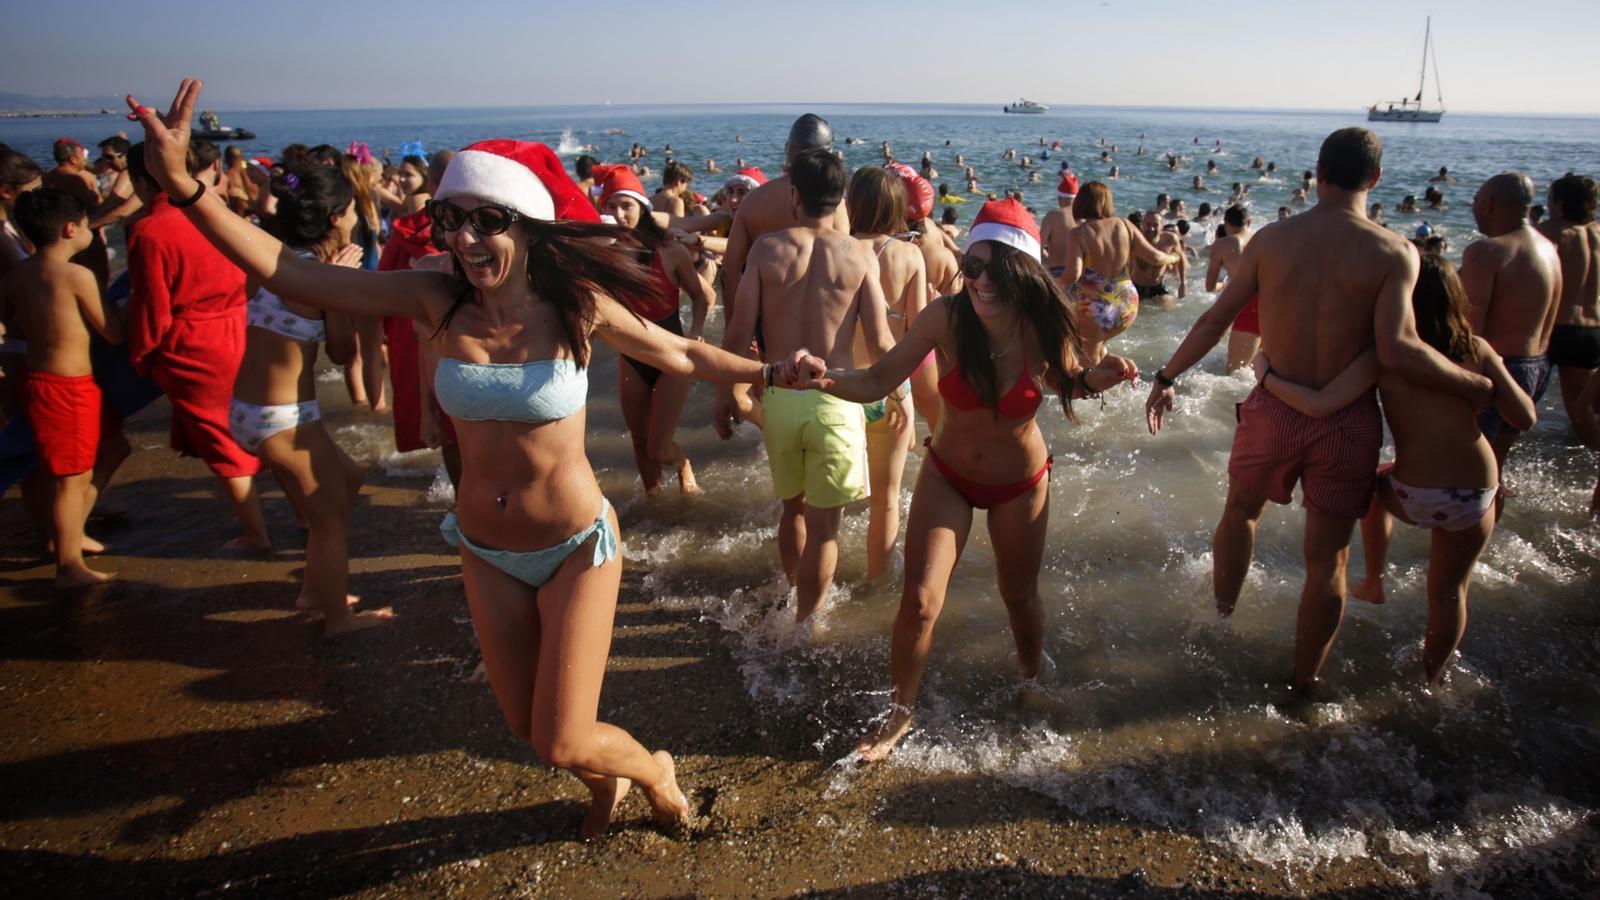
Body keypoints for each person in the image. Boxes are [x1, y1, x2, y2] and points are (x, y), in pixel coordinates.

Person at [128, 81, 828, 838]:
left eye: (486, 221)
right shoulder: (434, 299)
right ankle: (606, 784)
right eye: (450, 220)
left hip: (576, 547)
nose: (464, 239)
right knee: (530, 730)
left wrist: (768, 372)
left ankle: (654, 770)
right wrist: (187, 187)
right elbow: (289, 272)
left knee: (561, 736)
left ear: (525, 226)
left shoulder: (574, 307)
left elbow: (682, 352)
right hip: (485, 550)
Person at [1143, 127, 1493, 696]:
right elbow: (1398, 348)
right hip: (1346, 419)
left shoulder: (1272, 241)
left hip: (1274, 406)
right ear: (1375, 178)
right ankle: (1305, 681)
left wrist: (1166, 377)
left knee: (1240, 513)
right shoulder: (1394, 252)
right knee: (1328, 559)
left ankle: (1219, 623)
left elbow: (1215, 320)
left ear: (1319, 172)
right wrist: (1474, 382)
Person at [801, 199, 1137, 761]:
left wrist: (1094, 381)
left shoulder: (1043, 324)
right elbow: (878, 378)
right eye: (972, 267)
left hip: (1020, 484)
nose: (980, 281)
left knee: (1019, 597)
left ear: (1022, 273)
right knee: (920, 603)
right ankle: (899, 716)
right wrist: (820, 379)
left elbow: (1067, 382)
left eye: (995, 271)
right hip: (949, 475)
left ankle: (1031, 683)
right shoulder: (945, 316)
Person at [1256, 255, 1533, 687]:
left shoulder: (1384, 357)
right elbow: (1525, 417)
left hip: (1411, 492)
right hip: (1477, 491)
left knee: (1368, 486)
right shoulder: (1477, 350)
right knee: (1449, 592)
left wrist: (1267, 377)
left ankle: (1373, 579)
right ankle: (1432, 680)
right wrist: (1485, 385)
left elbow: (1320, 404)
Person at [713, 149, 894, 622]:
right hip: (834, 398)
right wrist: (901, 392)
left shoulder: (765, 249)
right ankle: (806, 627)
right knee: (825, 530)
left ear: (794, 195)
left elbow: (738, 332)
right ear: (841, 200)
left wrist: (725, 393)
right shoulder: (859, 255)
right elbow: (880, 340)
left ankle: (792, 597)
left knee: (791, 511)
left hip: (779, 398)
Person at [231, 164, 392, 633]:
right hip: (284, 417)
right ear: (338, 217)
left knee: (349, 476)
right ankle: (337, 616)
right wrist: (338, 287)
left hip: (249, 407)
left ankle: (314, 589)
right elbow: (342, 354)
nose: (355, 218)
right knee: (329, 521)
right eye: (352, 210)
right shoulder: (321, 277)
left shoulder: (272, 259)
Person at [124, 141, 269, 551]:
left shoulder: (150, 230)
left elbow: (152, 307)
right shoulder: (216, 211)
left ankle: (255, 535)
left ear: (140, 181)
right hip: (241, 325)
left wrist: (142, 355)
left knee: (220, 438)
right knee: (261, 425)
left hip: (195, 341)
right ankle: (304, 516)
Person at [0, 189, 124, 587]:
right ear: (71, 229)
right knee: (71, 479)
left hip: (36, 380)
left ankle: (69, 539)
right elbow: (113, 333)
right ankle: (68, 565)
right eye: (87, 224)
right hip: (68, 389)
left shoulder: (16, 276)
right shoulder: (77, 276)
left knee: (111, 447)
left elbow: (10, 326)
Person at [719, 114, 848, 425]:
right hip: (825, 321)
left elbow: (730, 270)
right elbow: (844, 269)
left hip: (769, 321)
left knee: (775, 386)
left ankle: (775, 436)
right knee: (821, 393)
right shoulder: (834, 204)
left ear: (789, 152)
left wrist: (736, 325)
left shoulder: (754, 202)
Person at [598, 167, 711, 495]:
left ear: (642, 208)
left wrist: (697, 331)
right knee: (639, 440)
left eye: (626, 206)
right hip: (631, 355)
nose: (619, 215)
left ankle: (682, 463)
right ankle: (654, 500)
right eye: (611, 206)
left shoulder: (670, 251)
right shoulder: (604, 254)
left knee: (658, 447)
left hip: (672, 356)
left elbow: (701, 295)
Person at [1459, 172, 1561, 516]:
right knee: (1494, 468)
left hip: (1498, 369)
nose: (1473, 208)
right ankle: (1487, 534)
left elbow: (1470, 332)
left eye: (1475, 201)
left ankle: (1463, 541)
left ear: (1490, 205)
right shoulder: (1547, 248)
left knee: (1470, 473)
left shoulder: (1486, 252)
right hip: (1536, 367)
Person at [847, 166, 925, 580]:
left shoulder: (836, 248)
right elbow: (918, 332)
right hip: (888, 386)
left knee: (822, 503)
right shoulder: (910, 256)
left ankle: (812, 588)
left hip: (838, 386)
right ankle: (875, 586)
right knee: (886, 500)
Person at [1055, 182, 1178, 362]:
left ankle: (1104, 374)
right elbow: (1155, 258)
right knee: (1095, 349)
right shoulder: (1125, 225)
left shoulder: (1079, 233)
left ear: (1080, 203)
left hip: (1095, 306)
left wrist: (1051, 287)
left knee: (1085, 359)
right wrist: (1173, 258)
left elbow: (1073, 274)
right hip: (1127, 303)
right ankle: (1123, 369)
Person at [1537, 175, 1600, 443]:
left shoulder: (1549, 231)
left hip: (1556, 328)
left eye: (1550, 199)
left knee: (1515, 405)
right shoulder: (1597, 233)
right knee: (1584, 412)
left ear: (1560, 203)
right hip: (1593, 331)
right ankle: (1588, 459)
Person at [44, 138, 109, 290]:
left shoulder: (48, 176)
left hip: (59, 234)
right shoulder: (75, 179)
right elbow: (92, 207)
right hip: (82, 232)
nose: (85, 160)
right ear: (73, 159)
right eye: (82, 157)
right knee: (98, 277)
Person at [1207, 205, 1258, 371]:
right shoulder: (1261, 239)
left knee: (1235, 372)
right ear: (1249, 222)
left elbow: (1210, 286)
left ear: (1225, 223)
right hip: (1275, 303)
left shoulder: (1223, 244)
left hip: (1249, 304)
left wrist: (1224, 285)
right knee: (1259, 368)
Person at [1131, 212, 1186, 308]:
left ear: (1161, 226)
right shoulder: (1134, 240)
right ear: (1142, 225)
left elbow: (1180, 258)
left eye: (1155, 225)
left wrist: (1183, 283)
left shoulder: (1170, 240)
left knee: (1170, 309)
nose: (1151, 228)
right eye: (1148, 224)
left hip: (1157, 287)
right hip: (1135, 286)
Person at [1039, 173, 1079, 276]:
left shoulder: (1052, 216)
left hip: (1057, 272)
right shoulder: (1083, 218)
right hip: (1079, 275)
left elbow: (1038, 247)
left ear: (1059, 198)